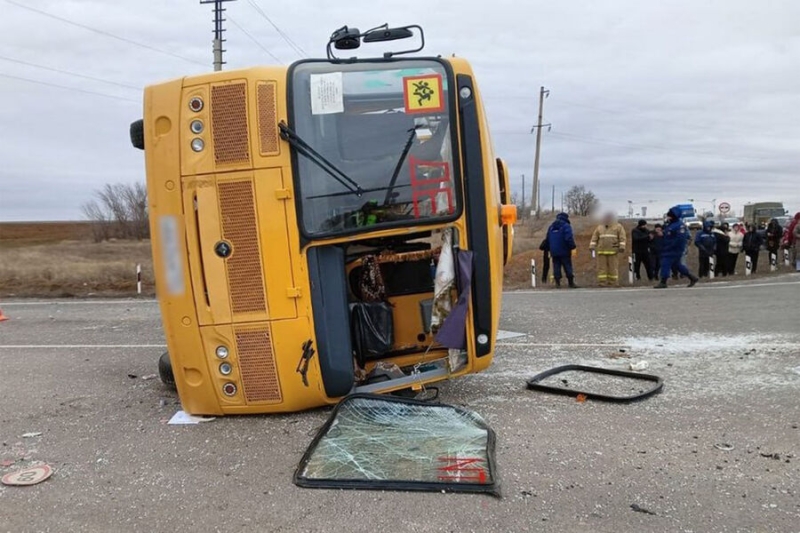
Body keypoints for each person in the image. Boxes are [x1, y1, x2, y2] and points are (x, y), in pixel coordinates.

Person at [655, 206, 699, 288]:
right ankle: (692, 277)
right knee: (676, 265)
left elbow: (680, 238)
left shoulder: (679, 225)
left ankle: (663, 281)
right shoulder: (671, 225)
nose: (667, 217)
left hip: (673, 249)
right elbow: (669, 235)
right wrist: (663, 234)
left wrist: (671, 246)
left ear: (673, 216)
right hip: (669, 248)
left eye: (669, 216)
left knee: (665, 263)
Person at [589, 212, 627, 287]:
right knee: (601, 268)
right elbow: (594, 238)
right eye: (606, 218)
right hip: (601, 251)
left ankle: (613, 283)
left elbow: (622, 238)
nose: (607, 219)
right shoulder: (599, 227)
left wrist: (622, 247)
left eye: (609, 218)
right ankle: (602, 283)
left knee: (613, 268)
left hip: (613, 251)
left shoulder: (618, 227)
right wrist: (592, 246)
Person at [546, 212, 578, 288]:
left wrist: (550, 249)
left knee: (556, 266)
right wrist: (572, 246)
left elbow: (548, 239)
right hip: (564, 250)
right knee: (567, 265)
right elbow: (568, 238)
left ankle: (557, 283)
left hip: (554, 251)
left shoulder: (551, 227)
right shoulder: (566, 226)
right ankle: (571, 283)